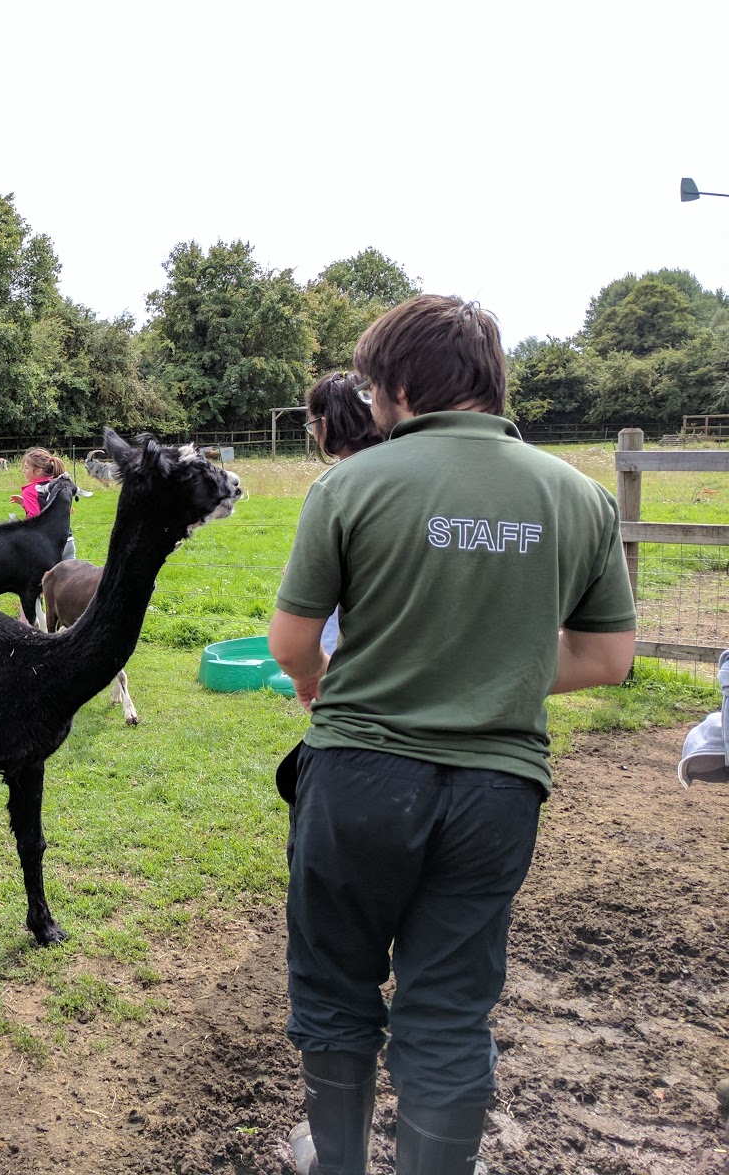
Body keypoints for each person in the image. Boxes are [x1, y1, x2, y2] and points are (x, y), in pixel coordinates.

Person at [267, 296, 635, 1175]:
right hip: (496, 793)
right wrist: (489, 665)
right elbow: (608, 657)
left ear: (398, 386)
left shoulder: (349, 485)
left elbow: (289, 645)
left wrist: (337, 679)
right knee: (449, 1010)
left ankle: (339, 1162)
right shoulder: (579, 497)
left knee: (335, 989)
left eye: (370, 387)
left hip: (357, 778)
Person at [302, 371, 385, 655]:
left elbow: (309, 589)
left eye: (312, 426)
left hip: (351, 651)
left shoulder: (333, 486)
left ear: (324, 424)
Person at [10, 446, 77, 559]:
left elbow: (34, 518)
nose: (23, 471)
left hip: (48, 545)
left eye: (26, 468)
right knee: (69, 576)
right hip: (68, 541)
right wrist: (23, 503)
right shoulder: (58, 485)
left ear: (38, 470)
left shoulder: (29, 491)